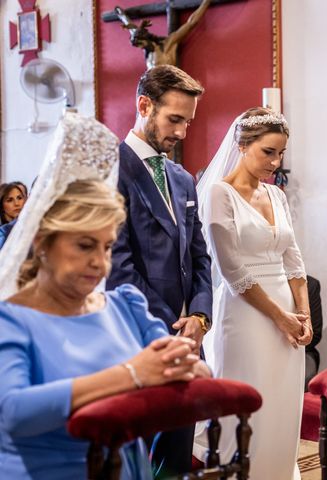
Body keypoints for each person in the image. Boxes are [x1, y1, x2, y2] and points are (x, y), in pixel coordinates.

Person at [0, 113, 209, 479]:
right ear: (41, 242)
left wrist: (188, 365)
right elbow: (15, 410)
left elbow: (184, 368)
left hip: (127, 467)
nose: (99, 263)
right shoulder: (12, 318)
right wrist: (132, 374)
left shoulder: (125, 305)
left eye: (108, 246)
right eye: (84, 246)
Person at [193, 107, 312, 479]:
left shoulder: (276, 196)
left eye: (280, 154)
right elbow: (232, 270)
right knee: (249, 405)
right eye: (268, 152)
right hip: (245, 313)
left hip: (289, 314)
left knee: (282, 405)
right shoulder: (219, 194)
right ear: (242, 145)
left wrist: (304, 316)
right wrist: (280, 316)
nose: (275, 162)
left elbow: (294, 260)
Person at [106, 64, 212, 476]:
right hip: (138, 333)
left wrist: (200, 317)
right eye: (174, 119)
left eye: (188, 121)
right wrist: (172, 325)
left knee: (176, 455)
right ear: (144, 106)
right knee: (138, 459)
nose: (182, 132)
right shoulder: (111, 170)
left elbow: (200, 257)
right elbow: (117, 266)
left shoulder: (182, 178)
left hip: (188, 337)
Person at [114, 1, 211, 69]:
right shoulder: (147, 50)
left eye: (140, 44)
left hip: (168, 90)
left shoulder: (168, 44)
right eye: (138, 45)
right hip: (152, 92)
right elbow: (134, 30)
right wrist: (123, 17)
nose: (140, 48)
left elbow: (191, 23)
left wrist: (206, 2)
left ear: (147, 39)